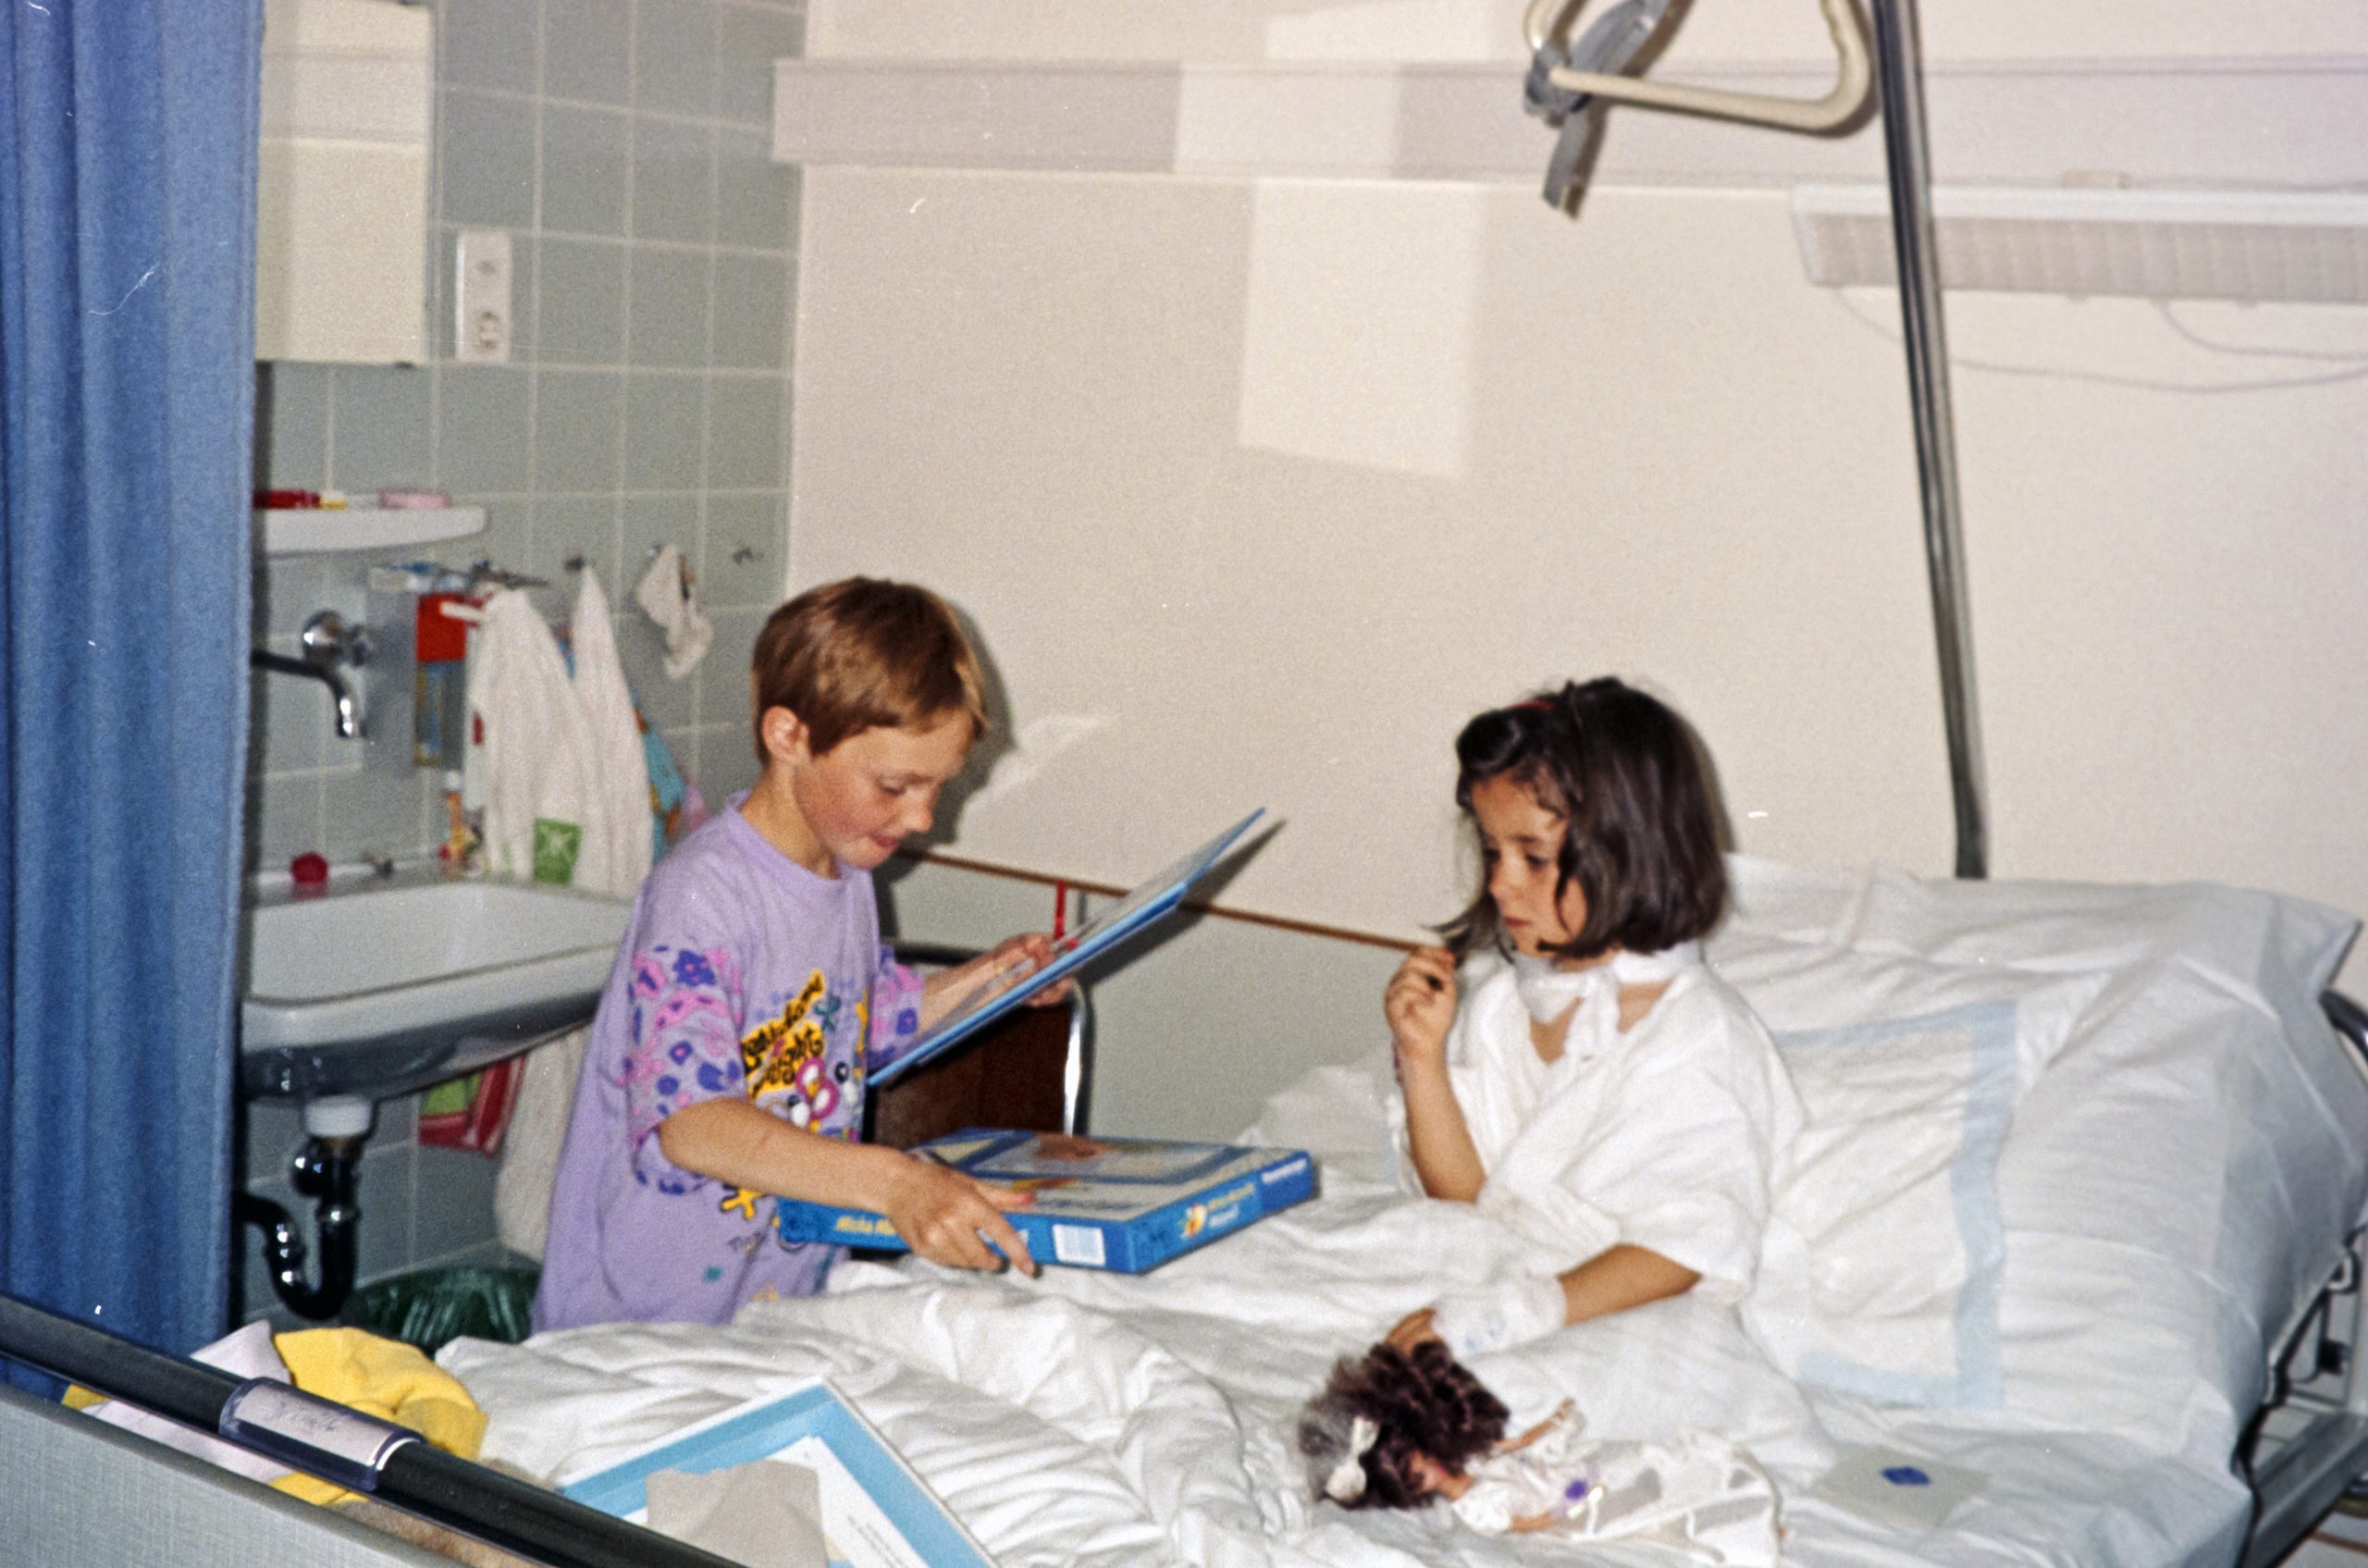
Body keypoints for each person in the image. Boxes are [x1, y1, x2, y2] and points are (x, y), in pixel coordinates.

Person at [534, 577, 1064, 1332]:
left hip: (772, 1302)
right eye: (895, 785)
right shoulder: (701, 897)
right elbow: (692, 1123)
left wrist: (992, 980)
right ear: (789, 737)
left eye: (936, 788)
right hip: (641, 1322)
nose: (921, 817)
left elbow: (851, 1021)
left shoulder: (843, 874)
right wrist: (895, 1183)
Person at [1383, 678, 1800, 1359]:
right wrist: (1423, 1061)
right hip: (1503, 1294)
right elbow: (1467, 1199)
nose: (1500, 884)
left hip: (1627, 1322)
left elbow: (1684, 1245)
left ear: (1631, 853)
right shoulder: (1503, 1007)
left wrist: (1518, 1313)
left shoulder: (1693, 1032)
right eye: (1492, 852)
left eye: (1533, 857)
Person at [1297, 1334, 1779, 1554]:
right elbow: (1528, 1522)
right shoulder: (1475, 1509)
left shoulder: (1471, 1464)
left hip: (1557, 1471)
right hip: (1565, 1501)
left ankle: (1727, 1497)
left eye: (1422, 1456)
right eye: (1421, 1477)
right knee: (1639, 1495)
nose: (1434, 1468)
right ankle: (1737, 1521)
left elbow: (1512, 1446)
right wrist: (1567, 1505)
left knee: (1638, 1460)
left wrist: (1548, 1426)